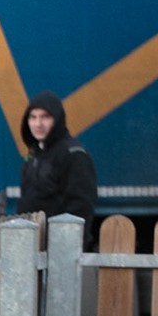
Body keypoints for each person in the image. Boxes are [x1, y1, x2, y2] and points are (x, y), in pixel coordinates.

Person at [17, 91, 97, 220]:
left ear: (57, 119)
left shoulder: (74, 154)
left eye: (45, 117)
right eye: (33, 117)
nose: (38, 124)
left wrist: (59, 231)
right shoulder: (34, 155)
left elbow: (81, 206)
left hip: (61, 232)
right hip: (33, 231)